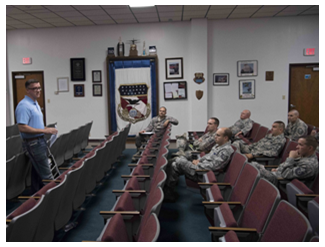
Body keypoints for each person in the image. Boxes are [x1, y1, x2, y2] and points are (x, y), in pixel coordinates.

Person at [164, 127, 234, 202]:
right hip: (199, 167)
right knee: (174, 165)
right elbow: (207, 156)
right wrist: (199, 160)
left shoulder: (226, 150)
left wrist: (199, 165)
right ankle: (169, 192)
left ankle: (167, 188)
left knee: (179, 160)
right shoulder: (218, 145)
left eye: (218, 135)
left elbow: (215, 166)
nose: (215, 137)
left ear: (225, 138)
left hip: (202, 172)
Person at [15, 79, 58, 193]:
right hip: (33, 143)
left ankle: (36, 198)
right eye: (35, 88)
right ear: (28, 90)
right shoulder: (24, 106)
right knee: (47, 174)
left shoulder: (35, 104)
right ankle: (55, 199)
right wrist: (43, 131)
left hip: (39, 141)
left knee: (37, 173)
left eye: (39, 88)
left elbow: (36, 125)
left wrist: (47, 129)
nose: (38, 91)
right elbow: (22, 127)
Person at [251, 136, 318, 185]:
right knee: (253, 165)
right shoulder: (303, 156)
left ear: (310, 148)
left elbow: (286, 175)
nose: (297, 147)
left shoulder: (309, 165)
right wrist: (278, 169)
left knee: (253, 168)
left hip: (278, 181)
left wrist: (291, 158)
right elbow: (285, 168)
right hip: (276, 174)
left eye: (300, 145)